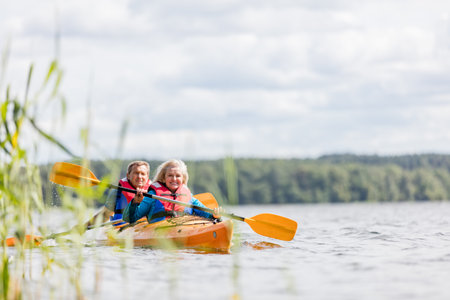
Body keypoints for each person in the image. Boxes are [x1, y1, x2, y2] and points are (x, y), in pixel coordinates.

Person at [123, 159, 220, 224]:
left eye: (177, 176)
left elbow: (207, 215)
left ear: (183, 178)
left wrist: (215, 215)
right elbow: (130, 218)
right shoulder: (153, 196)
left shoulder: (189, 197)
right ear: (164, 178)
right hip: (159, 231)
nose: (174, 179)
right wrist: (135, 202)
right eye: (170, 175)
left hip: (184, 228)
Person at [86, 161, 151, 227]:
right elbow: (105, 215)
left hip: (146, 227)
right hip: (122, 228)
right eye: (136, 173)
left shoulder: (153, 193)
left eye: (143, 174)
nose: (139, 176)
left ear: (147, 176)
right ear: (128, 175)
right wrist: (84, 227)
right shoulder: (117, 192)